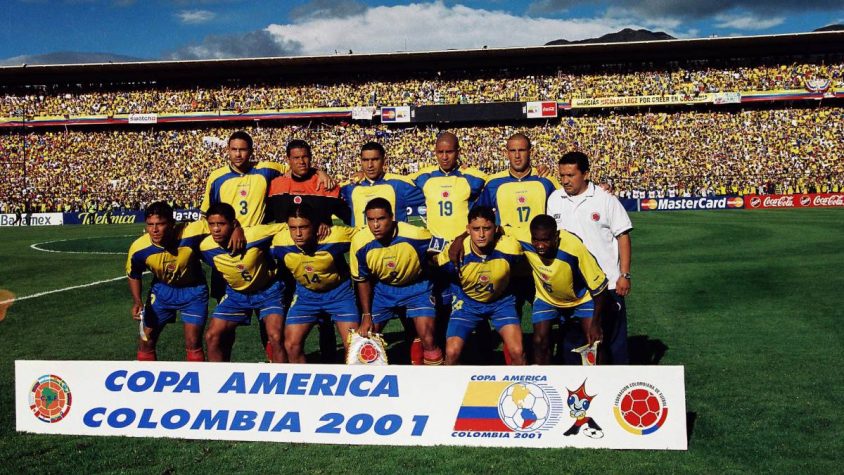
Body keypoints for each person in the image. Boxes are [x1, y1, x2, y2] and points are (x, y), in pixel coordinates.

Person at [547, 151, 633, 364]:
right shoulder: (555, 199)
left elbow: (622, 236)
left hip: (607, 283)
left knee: (611, 342)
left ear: (585, 174)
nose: (565, 180)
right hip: (572, 286)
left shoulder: (605, 199)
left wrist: (624, 274)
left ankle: (617, 381)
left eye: (571, 175)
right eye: (562, 175)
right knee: (573, 343)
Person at [351, 198, 443, 365]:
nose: (375, 225)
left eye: (381, 219)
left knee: (428, 339)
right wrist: (366, 315)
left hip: (417, 288)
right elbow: (362, 279)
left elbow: (442, 250)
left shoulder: (416, 235)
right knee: (365, 339)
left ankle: (434, 378)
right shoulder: (360, 242)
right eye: (371, 220)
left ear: (392, 217)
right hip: (383, 290)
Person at [436, 206, 525, 365]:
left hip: (501, 302)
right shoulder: (454, 254)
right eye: (476, 229)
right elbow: (436, 266)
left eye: (487, 228)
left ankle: (520, 381)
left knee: (517, 351)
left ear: (495, 229)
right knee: (451, 352)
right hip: (467, 304)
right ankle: (452, 382)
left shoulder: (510, 249)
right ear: (468, 229)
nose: (482, 234)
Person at [271, 204, 359, 363]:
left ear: (316, 226)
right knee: (291, 345)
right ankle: (301, 378)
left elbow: (365, 234)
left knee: (354, 345)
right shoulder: (280, 243)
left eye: (303, 227)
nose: (298, 233)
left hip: (339, 294)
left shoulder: (334, 237)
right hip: (306, 295)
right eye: (293, 228)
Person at [199, 203, 287, 363]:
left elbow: (287, 227)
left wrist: (239, 229)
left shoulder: (254, 235)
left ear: (233, 223)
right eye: (212, 224)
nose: (216, 229)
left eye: (221, 224)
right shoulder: (206, 247)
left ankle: (282, 376)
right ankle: (218, 377)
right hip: (236, 295)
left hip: (268, 292)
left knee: (275, 336)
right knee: (212, 336)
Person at [518, 215, 609, 365]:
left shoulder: (574, 248)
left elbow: (600, 288)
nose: (540, 246)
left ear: (556, 237)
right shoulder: (524, 238)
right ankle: (546, 378)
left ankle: (597, 378)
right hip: (547, 298)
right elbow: (499, 230)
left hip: (581, 299)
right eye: (536, 240)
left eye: (545, 240)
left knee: (594, 343)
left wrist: (596, 323)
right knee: (539, 341)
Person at [126, 201, 208, 362]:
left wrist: (237, 229)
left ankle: (197, 378)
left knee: (193, 342)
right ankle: (146, 377)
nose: (154, 230)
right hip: (162, 291)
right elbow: (134, 274)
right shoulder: (139, 248)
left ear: (172, 223)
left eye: (160, 224)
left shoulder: (191, 233)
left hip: (194, 291)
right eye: (150, 225)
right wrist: (137, 301)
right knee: (146, 340)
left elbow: (219, 223)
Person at [475, 133, 560, 230]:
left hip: (538, 239)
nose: (517, 155)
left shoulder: (546, 179)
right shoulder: (493, 182)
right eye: (512, 151)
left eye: (521, 150)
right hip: (507, 239)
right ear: (506, 153)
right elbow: (478, 215)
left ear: (531, 152)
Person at [265, 139, 351, 227]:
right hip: (284, 236)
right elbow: (262, 218)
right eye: (296, 158)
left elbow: (350, 218)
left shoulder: (326, 185)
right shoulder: (275, 186)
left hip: (319, 236)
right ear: (288, 160)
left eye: (305, 157)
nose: (301, 162)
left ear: (310, 158)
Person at [340, 142, 425, 228]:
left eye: (375, 159)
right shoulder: (350, 187)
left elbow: (429, 192)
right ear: (360, 161)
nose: (370, 165)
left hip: (394, 237)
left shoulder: (399, 185)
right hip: (361, 236)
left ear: (384, 160)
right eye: (365, 160)